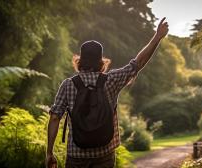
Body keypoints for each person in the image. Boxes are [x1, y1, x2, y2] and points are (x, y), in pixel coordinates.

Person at [46, 17, 169, 168]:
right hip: (105, 154)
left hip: (76, 155)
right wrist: (157, 37)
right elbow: (138, 63)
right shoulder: (112, 80)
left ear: (79, 60)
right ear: (101, 61)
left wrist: (49, 153)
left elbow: (54, 118)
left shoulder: (68, 85)